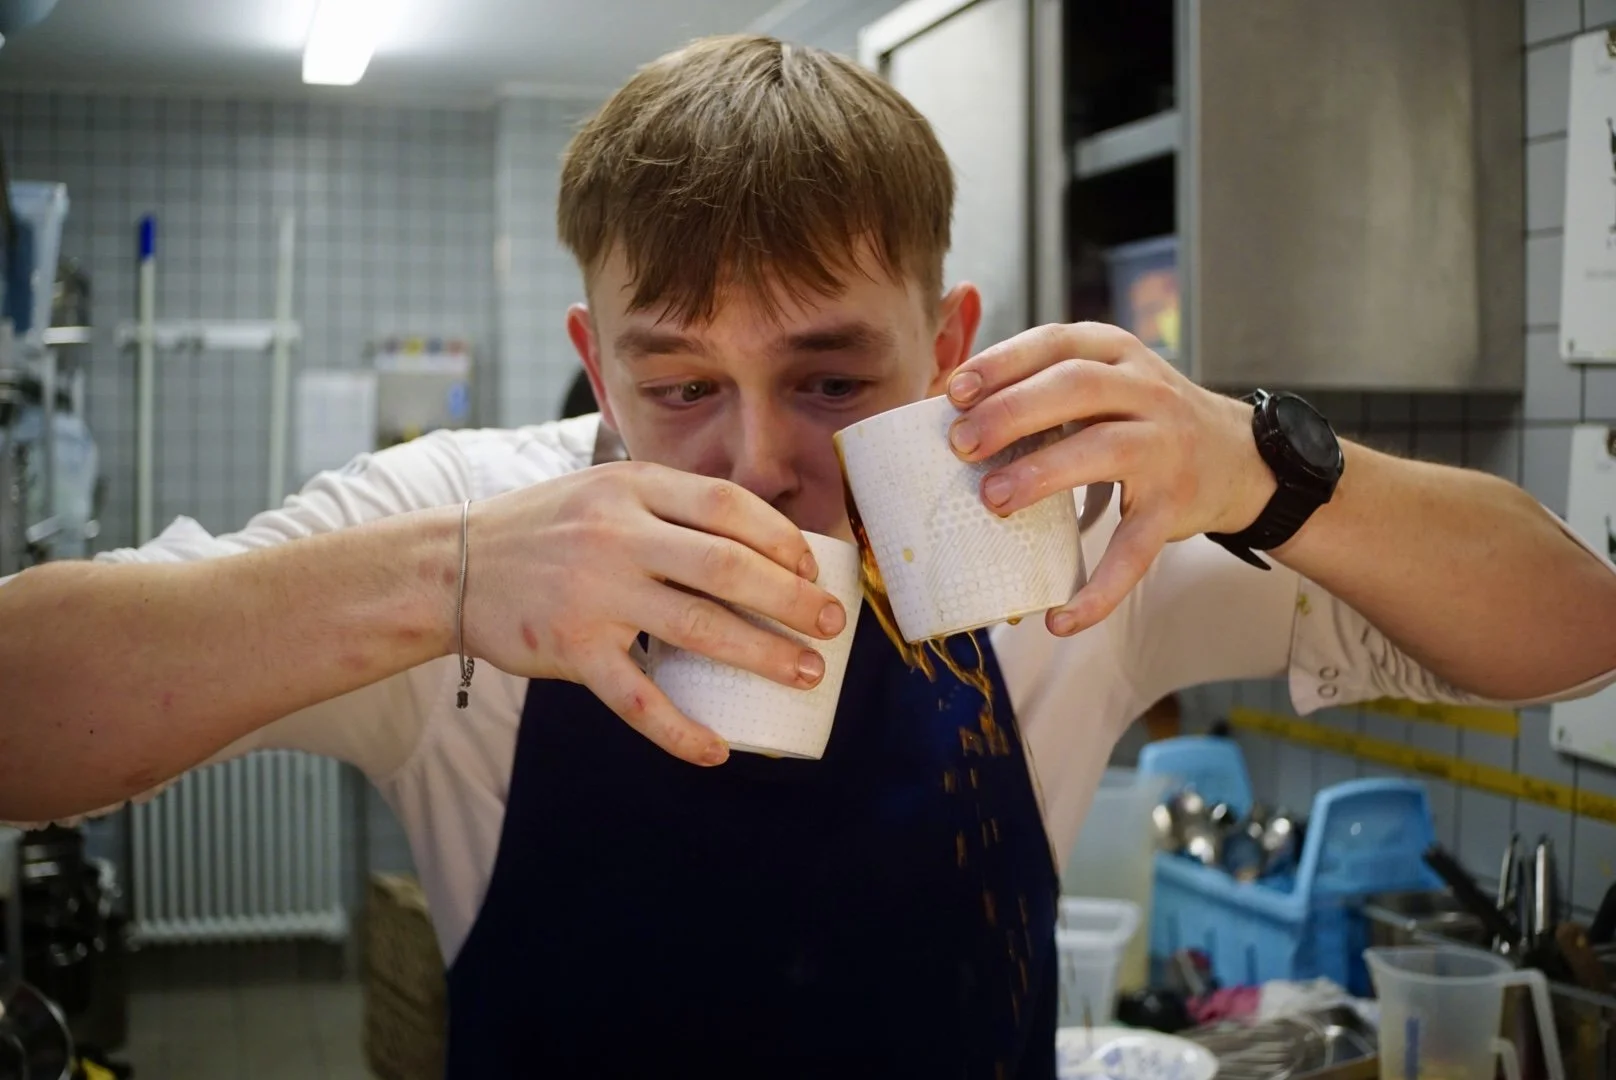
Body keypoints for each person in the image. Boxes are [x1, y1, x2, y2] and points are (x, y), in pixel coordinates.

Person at [2, 34, 1614, 1077]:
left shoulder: (1041, 537)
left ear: (947, 340)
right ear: (593, 352)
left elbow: (1573, 632)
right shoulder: (470, 521)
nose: (763, 463)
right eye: (681, 387)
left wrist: (1266, 465)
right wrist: (444, 584)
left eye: (836, 380)